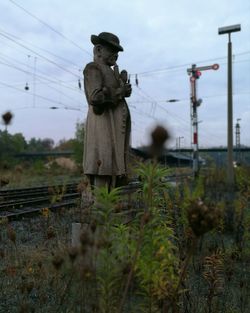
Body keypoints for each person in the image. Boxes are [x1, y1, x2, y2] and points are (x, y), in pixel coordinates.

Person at [83, 32, 132, 190]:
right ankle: (98, 209)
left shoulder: (110, 71)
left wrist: (123, 88)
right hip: (102, 126)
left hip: (113, 130)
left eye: (117, 52)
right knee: (102, 165)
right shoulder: (93, 68)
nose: (116, 55)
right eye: (112, 50)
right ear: (98, 50)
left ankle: (107, 207)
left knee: (111, 168)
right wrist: (119, 92)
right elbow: (95, 98)